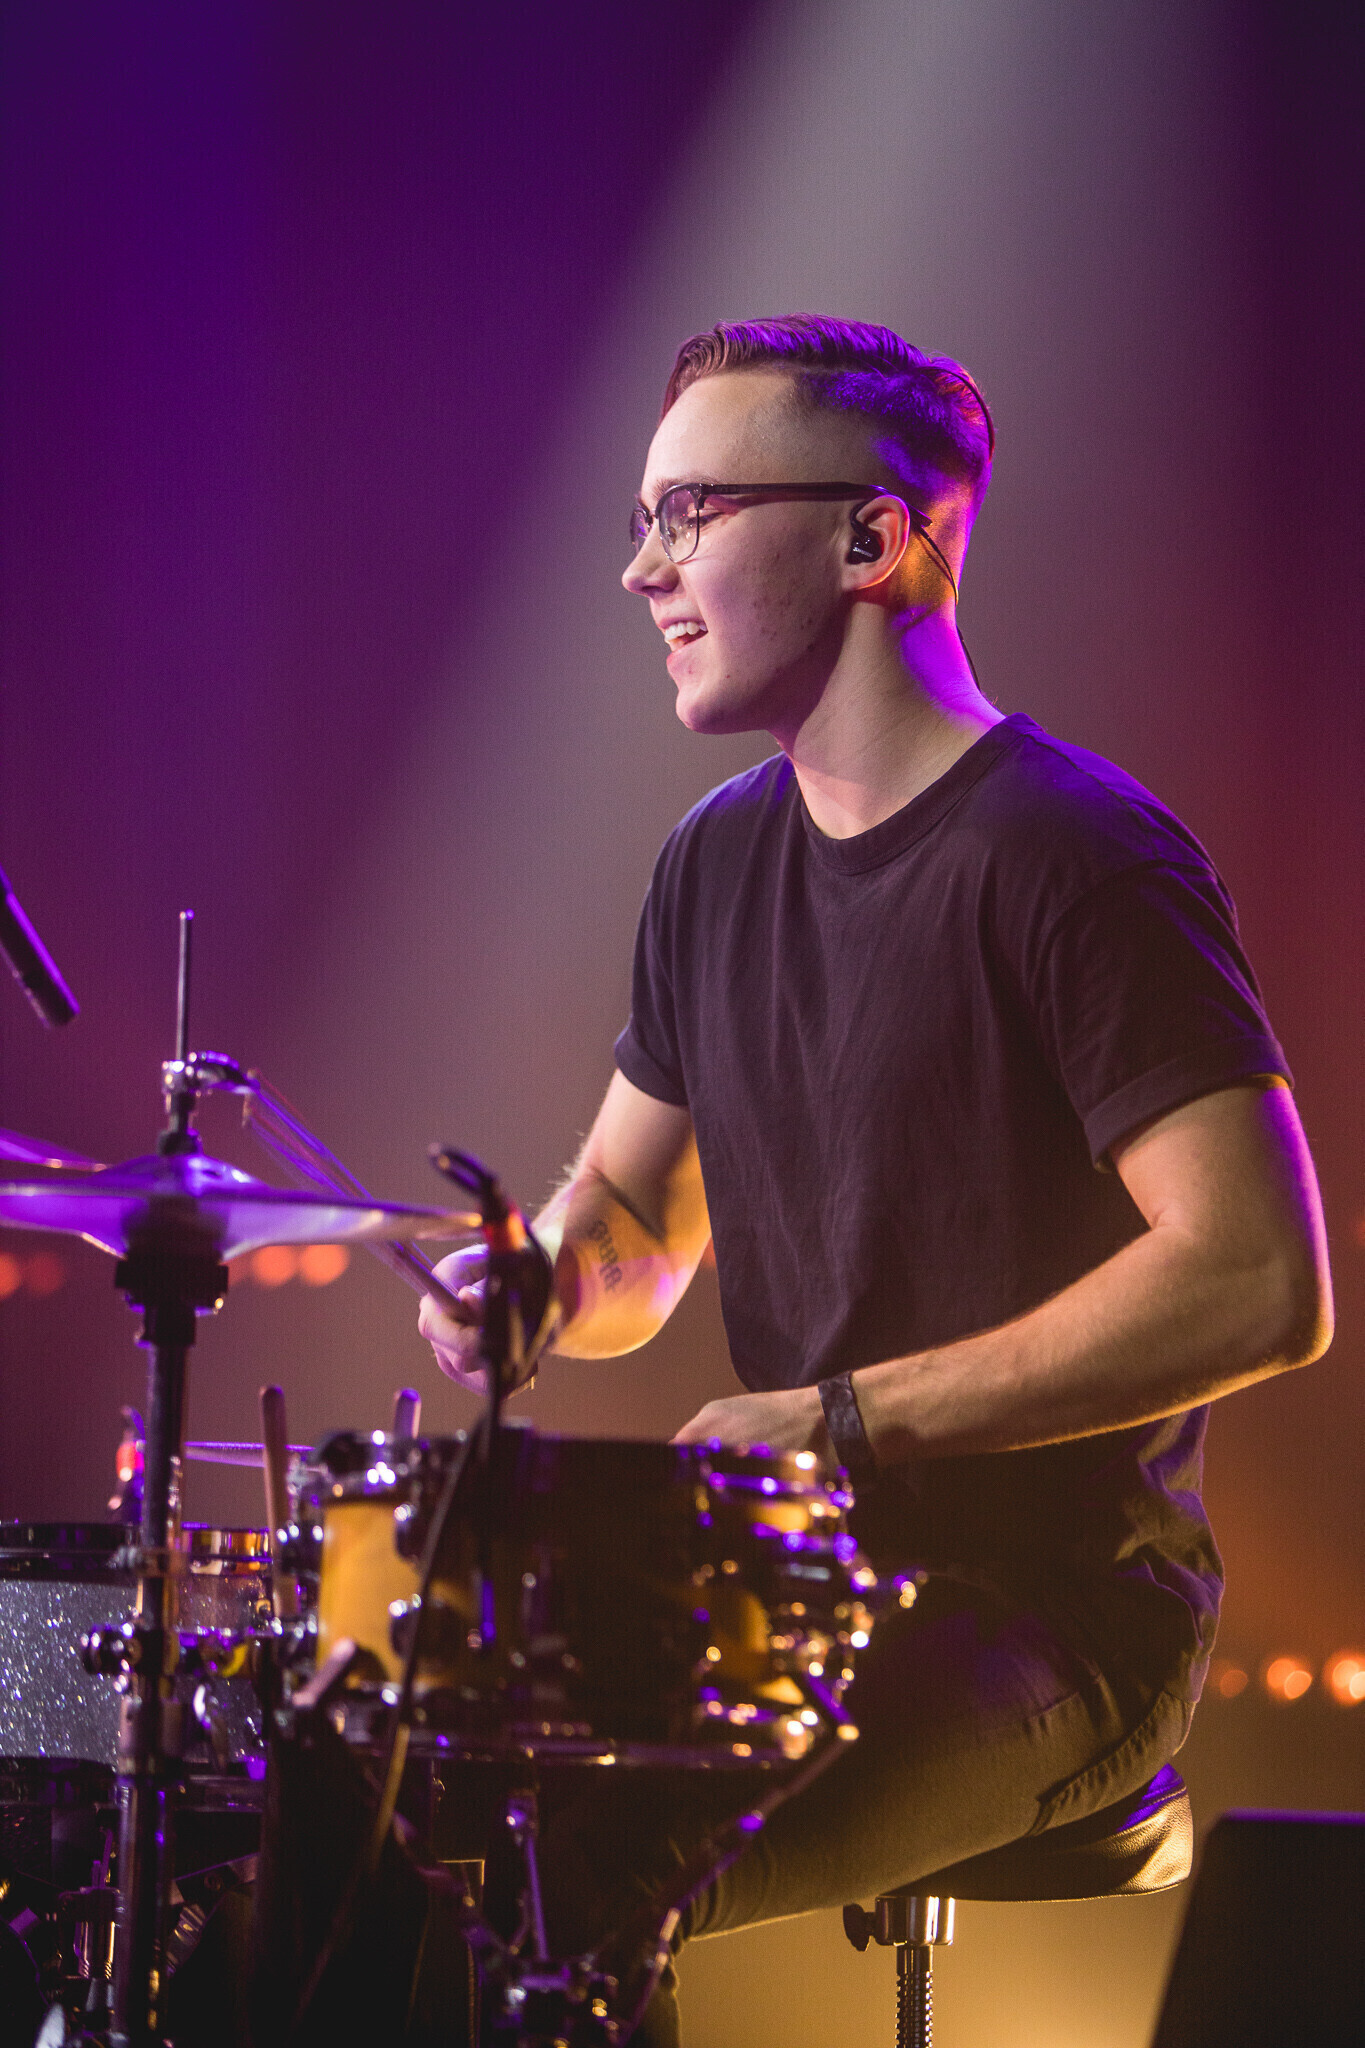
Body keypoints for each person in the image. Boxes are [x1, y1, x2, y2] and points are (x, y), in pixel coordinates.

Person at [419, 315, 1332, 2044]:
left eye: (688, 512)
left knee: (571, 1876)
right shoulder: (712, 862)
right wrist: (537, 1281)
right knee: (414, 1812)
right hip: (790, 1599)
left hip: (1058, 1620)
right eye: (641, 520)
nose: (640, 570)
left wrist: (835, 1419)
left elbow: (1256, 1280)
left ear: (869, 537)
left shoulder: (1075, 853)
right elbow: (633, 1232)